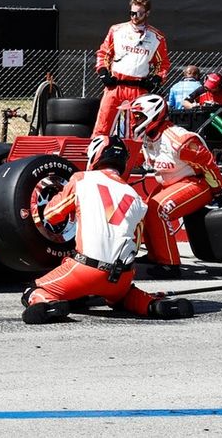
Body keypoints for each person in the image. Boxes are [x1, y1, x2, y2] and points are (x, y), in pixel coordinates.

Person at [20, 136, 195, 324]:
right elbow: (134, 244)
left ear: (96, 156)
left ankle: (49, 303)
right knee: (123, 297)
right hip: (121, 277)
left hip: (85, 271)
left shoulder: (81, 180)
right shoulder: (136, 198)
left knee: (32, 290)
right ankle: (152, 305)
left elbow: (51, 214)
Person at [129, 94, 222, 278]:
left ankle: (170, 265)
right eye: (135, 117)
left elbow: (207, 163)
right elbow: (138, 160)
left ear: (153, 115)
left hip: (196, 183)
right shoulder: (147, 138)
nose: (135, 121)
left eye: (139, 117)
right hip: (169, 183)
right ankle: (155, 256)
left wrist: (217, 191)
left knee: (157, 210)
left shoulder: (179, 140)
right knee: (144, 209)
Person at [93, 0, 169, 137]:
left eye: (139, 13)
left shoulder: (157, 37)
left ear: (147, 13)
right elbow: (104, 53)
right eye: (132, 13)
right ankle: (95, 154)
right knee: (103, 125)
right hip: (115, 86)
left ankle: (136, 158)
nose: (134, 16)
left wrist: (157, 79)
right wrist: (103, 72)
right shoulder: (116, 30)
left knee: (138, 129)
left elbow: (163, 64)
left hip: (139, 88)